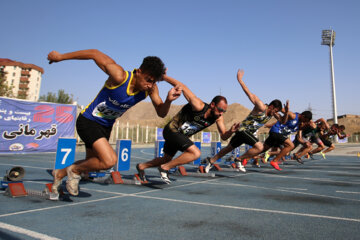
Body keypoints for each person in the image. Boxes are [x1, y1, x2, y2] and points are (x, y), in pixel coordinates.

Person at [47, 49, 182, 195]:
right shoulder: (119, 76)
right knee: (109, 161)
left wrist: (168, 100)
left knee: (95, 164)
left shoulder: (150, 90)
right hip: (88, 120)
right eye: (148, 80)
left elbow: (161, 113)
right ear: (139, 71)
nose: (150, 85)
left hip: (106, 127)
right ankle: (73, 171)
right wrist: (61, 57)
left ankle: (60, 173)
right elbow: (94, 54)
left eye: (154, 82)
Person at [136, 74, 239, 184]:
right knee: (195, 153)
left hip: (179, 137)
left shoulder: (218, 118)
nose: (221, 113)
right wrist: (164, 77)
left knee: (166, 158)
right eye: (220, 109)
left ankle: (141, 166)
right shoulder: (198, 105)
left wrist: (231, 132)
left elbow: (223, 136)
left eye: (224, 111)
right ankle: (165, 168)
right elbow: (183, 86)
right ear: (212, 105)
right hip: (172, 130)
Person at [204, 69, 283, 173]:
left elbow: (283, 121)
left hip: (247, 133)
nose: (275, 113)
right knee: (260, 147)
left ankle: (211, 160)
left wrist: (286, 112)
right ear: (271, 106)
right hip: (243, 129)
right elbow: (250, 95)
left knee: (228, 148)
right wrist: (240, 81)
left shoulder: (273, 114)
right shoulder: (261, 107)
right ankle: (239, 159)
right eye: (275, 111)